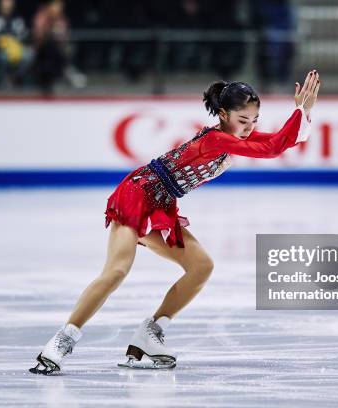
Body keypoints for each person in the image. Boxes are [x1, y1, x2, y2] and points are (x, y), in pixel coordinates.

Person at [29, 70, 321, 373]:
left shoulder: (231, 137)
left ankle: (149, 333)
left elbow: (277, 141)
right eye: (243, 121)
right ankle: (63, 339)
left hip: (161, 204)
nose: (248, 129)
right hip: (137, 194)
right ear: (223, 114)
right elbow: (272, 148)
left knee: (201, 267)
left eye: (254, 121)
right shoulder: (217, 139)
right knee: (116, 270)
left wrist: (305, 111)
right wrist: (300, 111)